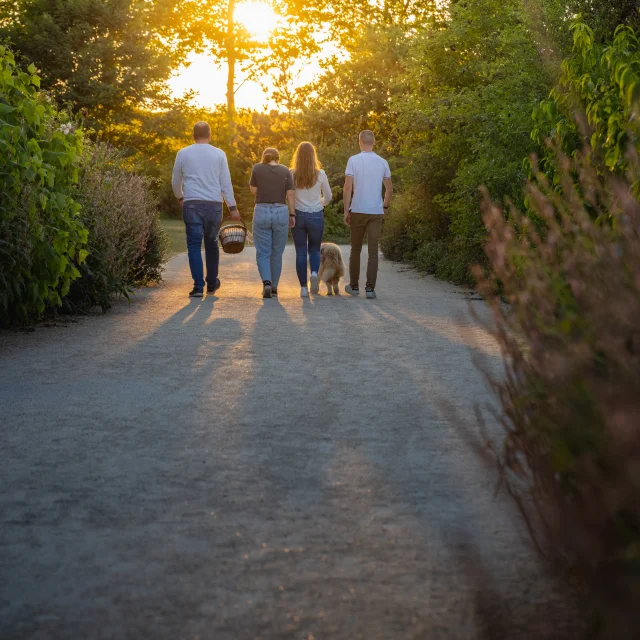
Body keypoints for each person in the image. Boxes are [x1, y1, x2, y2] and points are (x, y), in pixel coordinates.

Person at [172, 121, 241, 297]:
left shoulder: (183, 153)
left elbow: (175, 181)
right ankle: (211, 283)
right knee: (211, 244)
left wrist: (180, 196)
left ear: (193, 135)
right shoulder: (219, 154)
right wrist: (232, 207)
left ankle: (197, 287)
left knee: (194, 245)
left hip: (192, 203)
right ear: (209, 135)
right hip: (214, 205)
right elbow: (226, 183)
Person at [343, 130, 393, 299]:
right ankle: (370, 289)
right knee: (373, 251)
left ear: (359, 142)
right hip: (375, 212)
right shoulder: (382, 162)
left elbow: (348, 187)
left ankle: (354, 287)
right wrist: (385, 206)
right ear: (374, 142)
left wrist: (346, 210)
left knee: (355, 249)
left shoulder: (353, 160)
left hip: (357, 210)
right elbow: (389, 189)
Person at [249, 147, 296, 298]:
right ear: (278, 157)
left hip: (262, 210)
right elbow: (290, 194)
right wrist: (292, 214)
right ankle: (274, 287)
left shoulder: (257, 168)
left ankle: (267, 283)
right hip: (281, 211)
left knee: (263, 252)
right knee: (277, 252)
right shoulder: (285, 171)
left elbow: (254, 190)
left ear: (264, 157)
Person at [290, 141, 332, 298]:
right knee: (314, 249)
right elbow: (328, 196)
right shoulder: (320, 174)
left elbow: (289, 195)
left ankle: (303, 288)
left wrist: (291, 212)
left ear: (298, 156)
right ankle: (314, 273)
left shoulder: (291, 173)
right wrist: (321, 202)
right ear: (313, 156)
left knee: (300, 252)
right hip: (316, 215)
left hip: (298, 215)